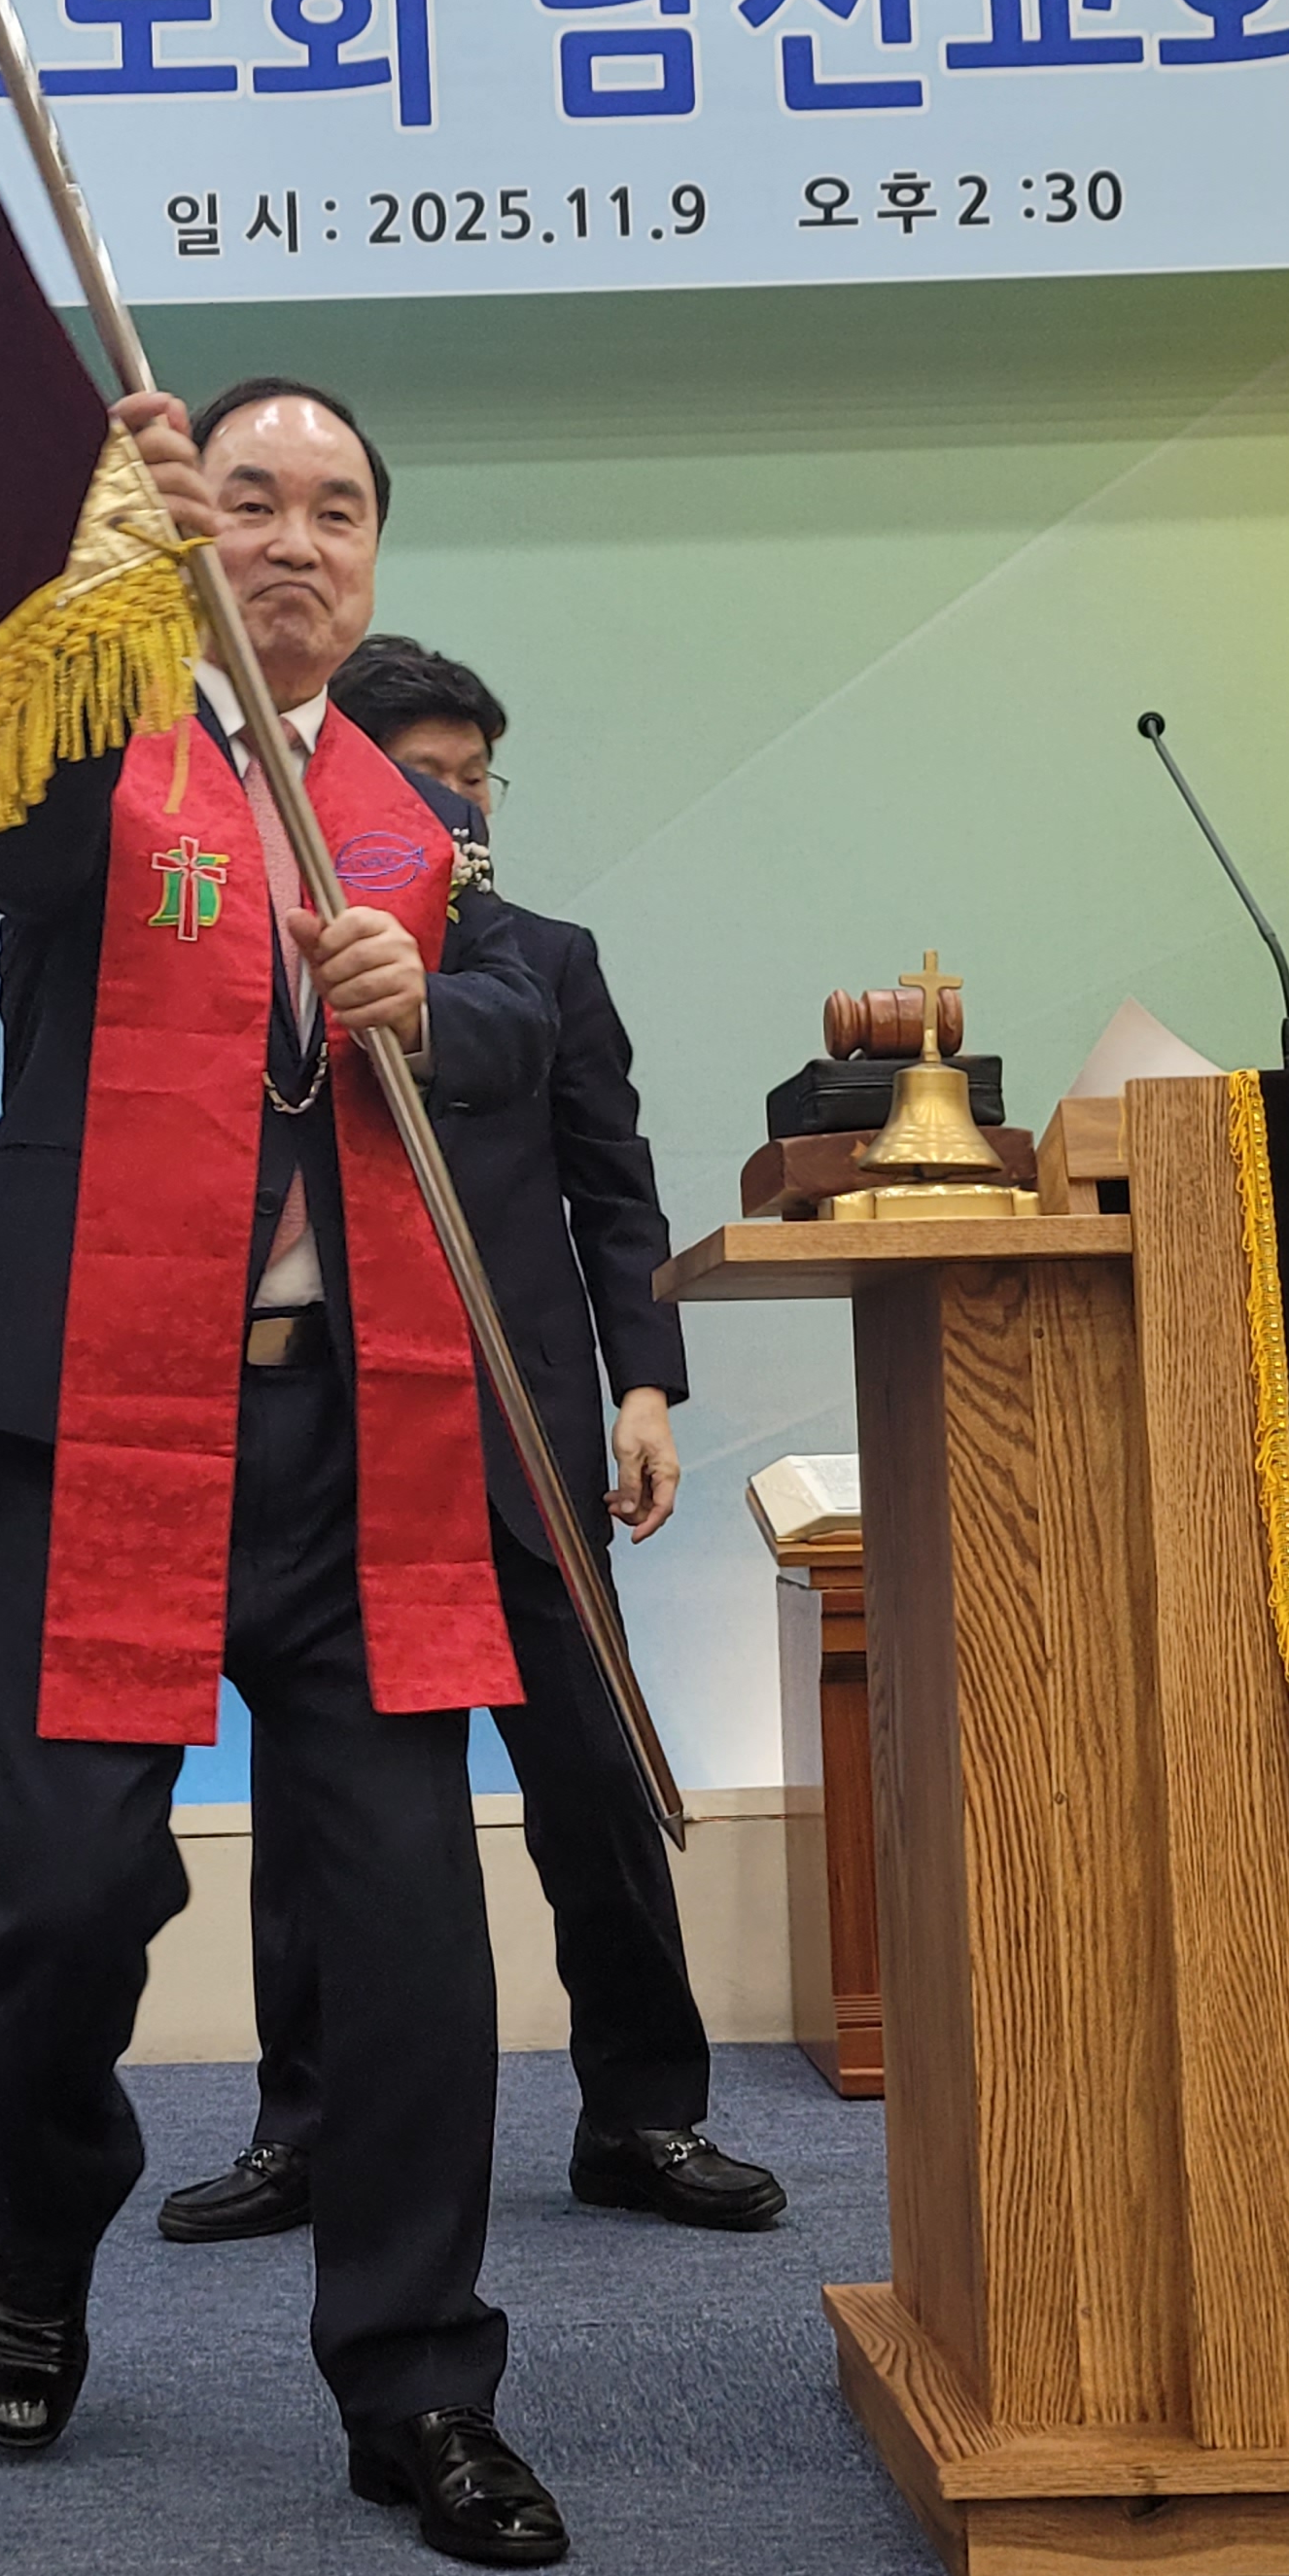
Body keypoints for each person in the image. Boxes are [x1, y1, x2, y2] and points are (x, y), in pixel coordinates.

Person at [0, 378, 575, 2568]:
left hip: (361, 1440)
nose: (294, 540)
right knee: (61, 1907)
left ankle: (421, 2387)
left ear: (375, 558)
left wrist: (424, 1004)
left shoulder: (409, 817)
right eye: (250, 501)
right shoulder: (100, 759)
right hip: (101, 1418)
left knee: (409, 1936)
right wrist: (101, 581)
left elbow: (523, 1022)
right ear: (196, 537)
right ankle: (44, 2223)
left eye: (335, 511)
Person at [158, 639, 787, 2251]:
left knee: (595, 1787)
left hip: (518, 1441)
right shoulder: (251, 959)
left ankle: (643, 2115)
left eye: (477, 777)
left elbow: (614, 1191)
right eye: (426, 777)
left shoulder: (546, 960)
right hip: (330, 1451)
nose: (463, 806)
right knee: (321, 1811)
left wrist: (643, 1392)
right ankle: (305, 2132)